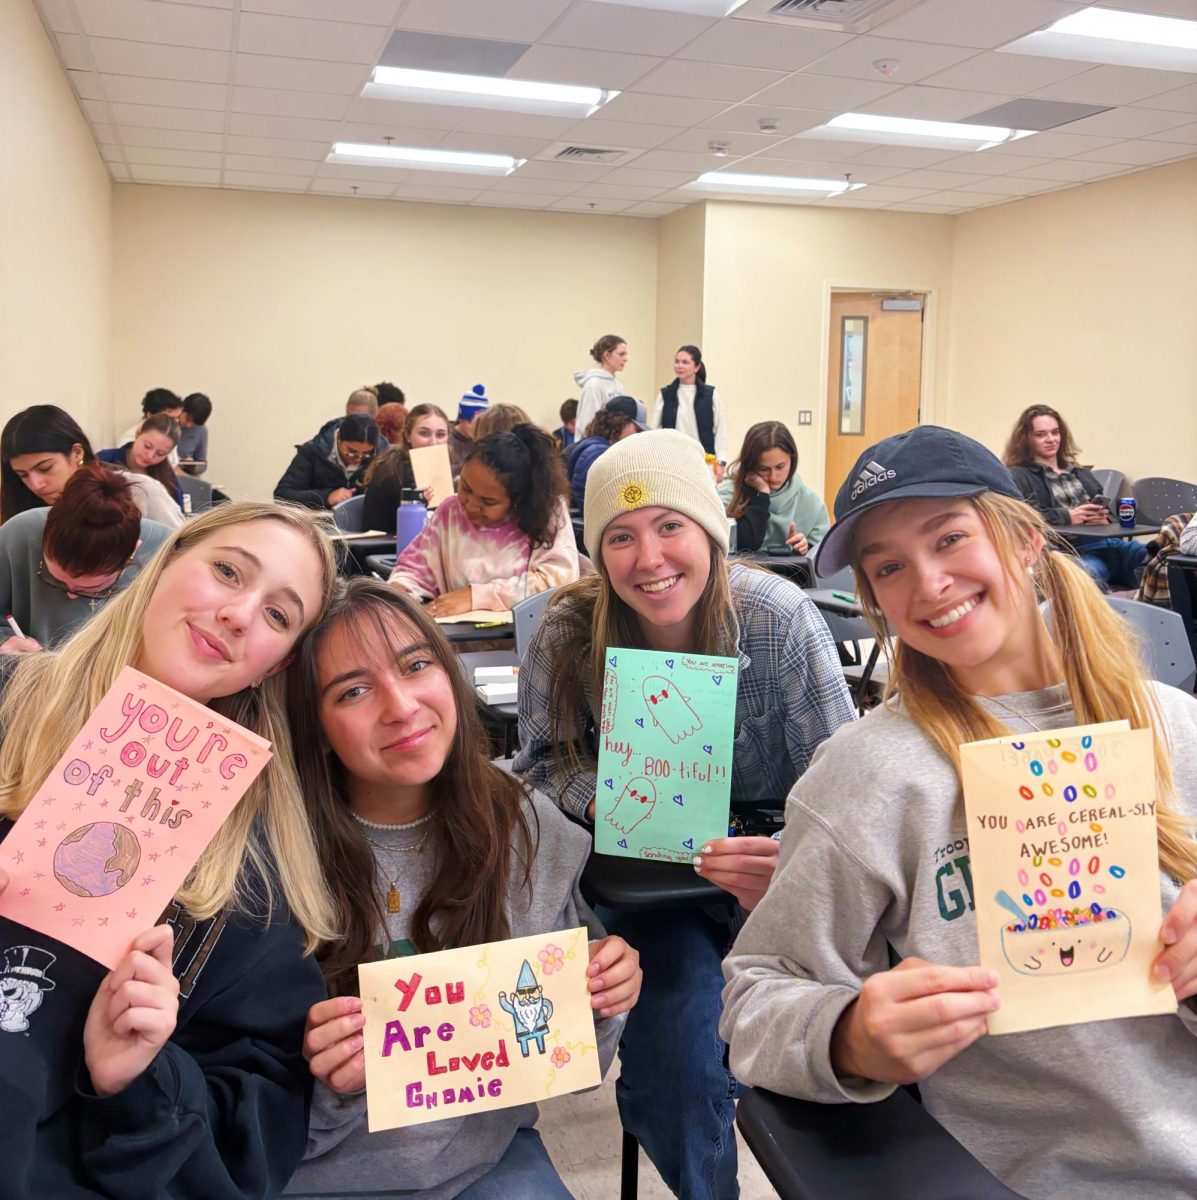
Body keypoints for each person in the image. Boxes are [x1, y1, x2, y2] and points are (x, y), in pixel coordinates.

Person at [720, 425, 1197, 1200]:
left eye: (949, 538)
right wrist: (850, 1039)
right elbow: (757, 992)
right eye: (888, 568)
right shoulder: (870, 774)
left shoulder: (1174, 726)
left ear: (1022, 541)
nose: (929, 582)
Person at [513, 429, 856, 1199]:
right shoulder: (568, 634)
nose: (649, 558)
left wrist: (776, 848)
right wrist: (626, 805)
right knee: (676, 1058)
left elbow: (841, 778)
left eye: (670, 526)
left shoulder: (776, 619)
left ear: (709, 531)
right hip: (649, 882)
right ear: (598, 554)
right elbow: (544, 763)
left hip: (774, 880)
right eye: (621, 537)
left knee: (838, 1040)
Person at [0, 499, 343, 1198]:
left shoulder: (253, 871)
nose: (240, 615)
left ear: (274, 667)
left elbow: (248, 1133)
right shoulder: (7, 703)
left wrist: (136, 1075)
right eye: (226, 571)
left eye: (278, 615)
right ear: (162, 563)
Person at [280, 578, 642, 1198]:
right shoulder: (277, 859)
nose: (400, 706)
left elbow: (573, 1066)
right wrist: (330, 1089)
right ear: (313, 724)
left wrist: (605, 1000)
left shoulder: (529, 825)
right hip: (313, 1174)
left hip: (484, 1161)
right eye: (354, 691)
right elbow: (232, 1130)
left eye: (417, 665)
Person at [390, 425, 578, 618]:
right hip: (459, 643)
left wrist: (475, 596)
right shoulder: (450, 512)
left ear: (518, 501)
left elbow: (557, 583)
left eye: (488, 502)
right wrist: (399, 592)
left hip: (526, 643)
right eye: (466, 488)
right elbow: (414, 569)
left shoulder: (546, 514)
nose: (471, 505)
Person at [0, 466, 169, 653]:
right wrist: (4, 640)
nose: (71, 596)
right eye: (53, 579)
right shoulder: (18, 534)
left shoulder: (168, 553)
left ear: (133, 552)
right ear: (44, 533)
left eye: (89, 590)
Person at [1003, 404, 1147, 589]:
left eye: (1055, 432)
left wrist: (1104, 518)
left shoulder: (1079, 472)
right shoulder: (1018, 475)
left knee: (1159, 561)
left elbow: (1109, 514)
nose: (1051, 439)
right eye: (1041, 435)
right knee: (1085, 576)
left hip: (1111, 546)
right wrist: (1069, 517)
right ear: (1026, 439)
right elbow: (1021, 519)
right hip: (1072, 552)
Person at [2, 405, 183, 531]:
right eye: (22, 475)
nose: (35, 485)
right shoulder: (21, 512)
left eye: (45, 468)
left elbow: (183, 552)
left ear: (77, 453)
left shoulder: (140, 492)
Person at [718, 421, 829, 554]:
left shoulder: (812, 504)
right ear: (750, 464)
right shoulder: (727, 495)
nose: (773, 476)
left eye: (780, 467)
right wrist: (763, 494)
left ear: (792, 460)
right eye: (763, 469)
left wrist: (807, 548)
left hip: (791, 574)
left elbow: (824, 557)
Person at [361, 405, 451, 536]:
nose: (433, 442)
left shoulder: (445, 467)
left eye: (441, 435)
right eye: (424, 433)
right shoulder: (391, 473)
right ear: (408, 435)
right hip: (386, 547)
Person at [275, 414, 379, 511]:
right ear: (338, 437)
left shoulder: (382, 454)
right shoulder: (313, 452)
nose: (358, 458)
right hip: (320, 523)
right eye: (352, 452)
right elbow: (282, 495)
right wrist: (327, 497)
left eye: (366, 453)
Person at [566, 396, 645, 512]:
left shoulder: (592, 446)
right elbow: (596, 506)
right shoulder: (599, 454)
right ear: (620, 422)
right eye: (638, 429)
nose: (639, 435)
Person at [652, 345, 727, 464]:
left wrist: (721, 460)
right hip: (673, 460)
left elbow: (720, 430)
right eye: (677, 362)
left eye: (685, 362)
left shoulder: (710, 395)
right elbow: (655, 429)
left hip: (704, 461)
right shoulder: (665, 395)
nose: (679, 366)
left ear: (696, 367)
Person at [97, 414, 184, 511]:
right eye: (147, 446)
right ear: (138, 433)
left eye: (160, 453)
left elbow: (177, 512)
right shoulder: (104, 459)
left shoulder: (167, 477)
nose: (150, 456)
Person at [574, 335, 628, 436]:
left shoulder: (618, 385)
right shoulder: (594, 385)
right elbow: (587, 425)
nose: (626, 359)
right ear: (607, 355)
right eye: (621, 354)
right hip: (596, 446)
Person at [313, 388, 388, 457]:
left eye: (362, 419)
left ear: (375, 415)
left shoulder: (383, 450)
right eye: (352, 417)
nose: (356, 423)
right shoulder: (321, 444)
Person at [115, 387, 183, 449]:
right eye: (170, 419)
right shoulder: (127, 441)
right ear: (150, 415)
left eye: (177, 418)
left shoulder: (169, 434)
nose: (176, 422)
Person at [448, 385, 489, 476]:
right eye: (471, 422)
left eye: (479, 424)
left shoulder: (483, 442)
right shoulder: (445, 439)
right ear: (461, 419)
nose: (476, 428)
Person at [178, 392, 212, 474]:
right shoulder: (167, 423)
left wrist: (191, 465)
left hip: (185, 475)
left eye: (194, 424)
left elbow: (202, 463)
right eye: (188, 419)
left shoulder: (201, 430)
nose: (189, 425)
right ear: (182, 409)